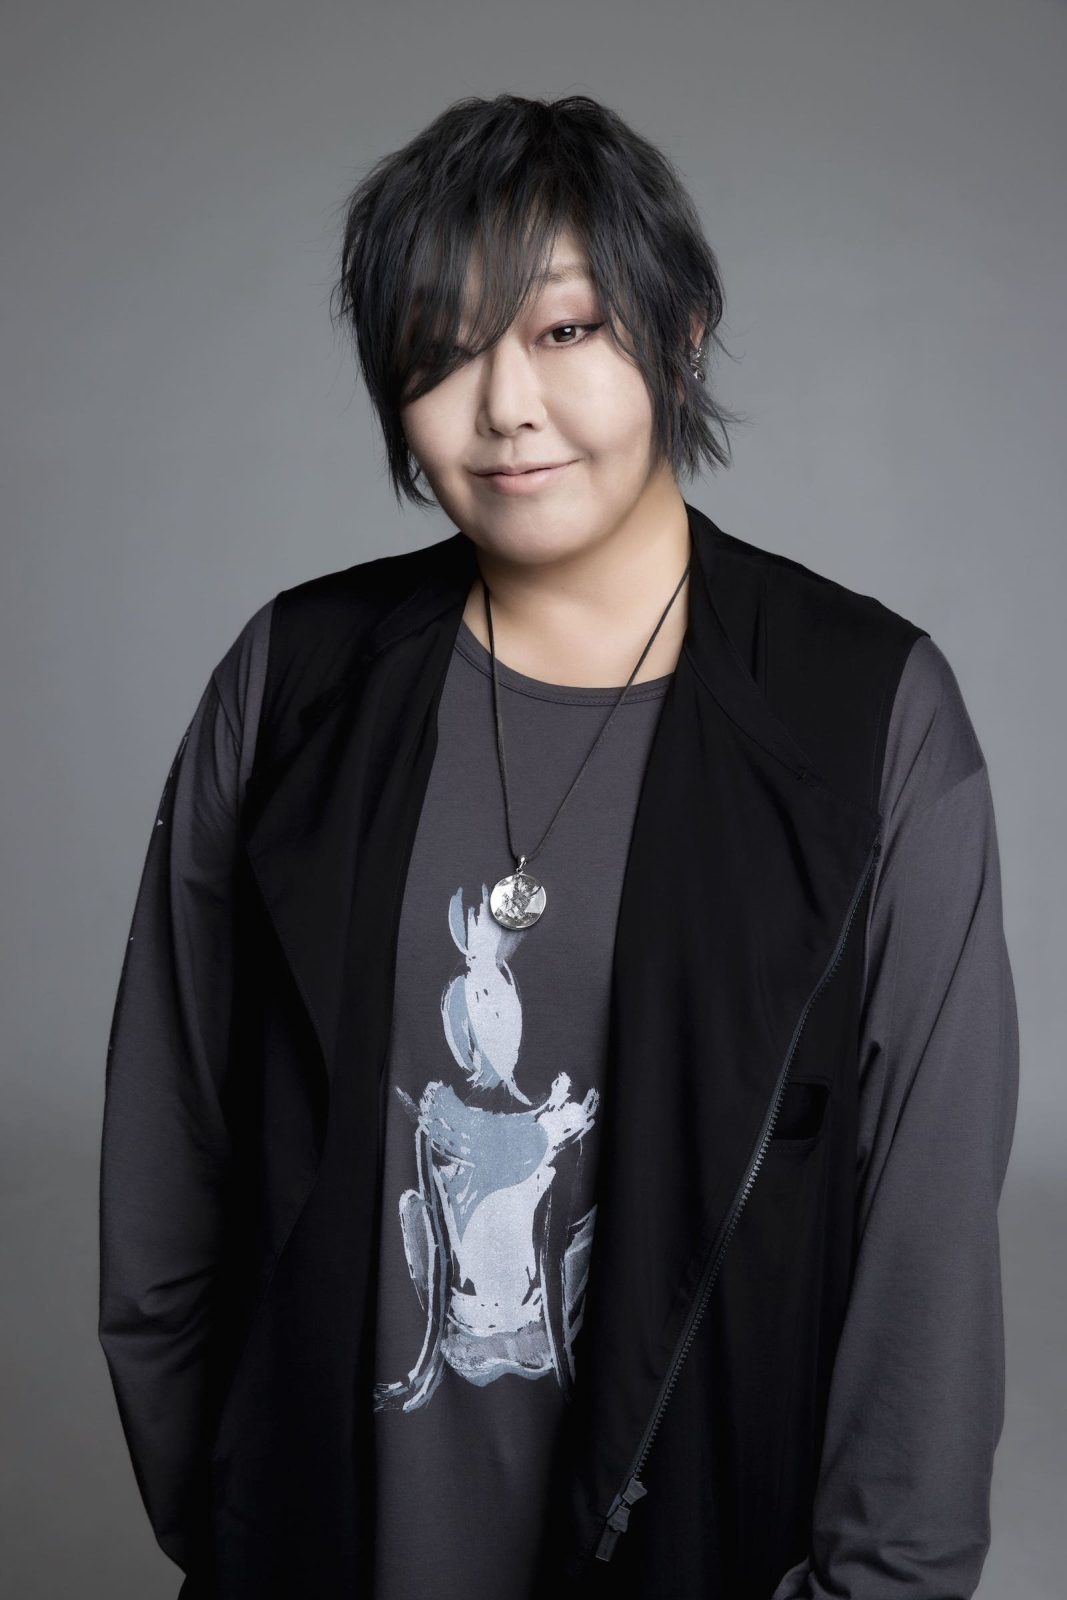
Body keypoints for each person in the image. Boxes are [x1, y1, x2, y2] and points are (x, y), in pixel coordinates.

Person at [98, 94, 1019, 1600]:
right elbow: (170, 1133)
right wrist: (231, 1508)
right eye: (442, 349)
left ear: (683, 335)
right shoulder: (296, 680)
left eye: (567, 330)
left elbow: (926, 1228)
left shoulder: (866, 711)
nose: (505, 405)